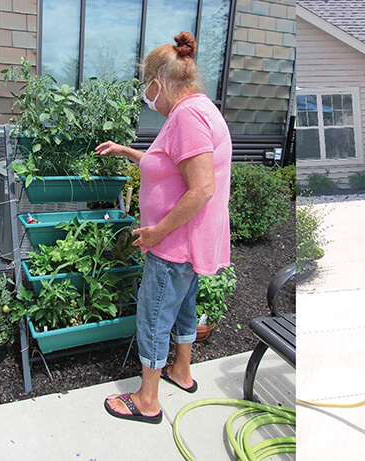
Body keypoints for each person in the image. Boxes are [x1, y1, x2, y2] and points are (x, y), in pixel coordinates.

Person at [96, 31, 233, 424]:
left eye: (146, 87)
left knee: (154, 315)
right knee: (183, 307)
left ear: (157, 82)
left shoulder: (187, 116)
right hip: (191, 244)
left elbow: (202, 187)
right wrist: (127, 151)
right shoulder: (200, 108)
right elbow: (172, 164)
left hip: (174, 243)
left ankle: (147, 400)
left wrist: (156, 232)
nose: (146, 95)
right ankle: (181, 371)